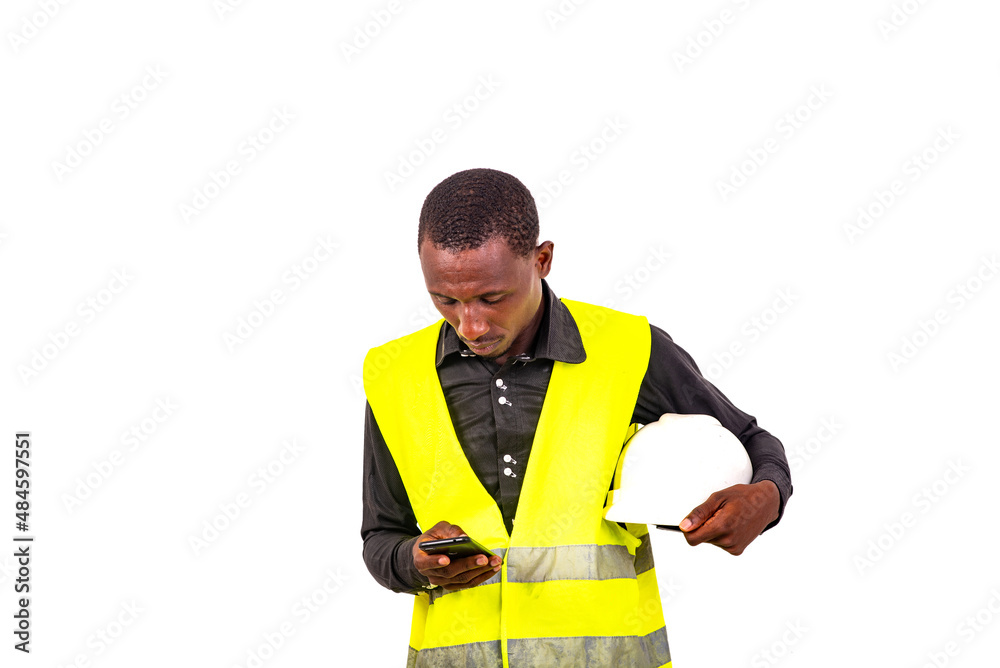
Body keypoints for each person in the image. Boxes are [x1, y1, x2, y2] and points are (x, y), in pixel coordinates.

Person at [361, 168, 792, 668]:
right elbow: (381, 537)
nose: (470, 324)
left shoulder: (629, 351)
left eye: (491, 298)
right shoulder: (393, 375)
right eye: (446, 300)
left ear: (542, 260)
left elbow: (751, 441)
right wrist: (415, 563)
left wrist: (766, 497)